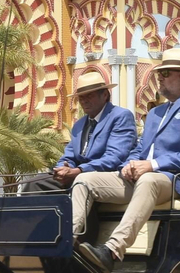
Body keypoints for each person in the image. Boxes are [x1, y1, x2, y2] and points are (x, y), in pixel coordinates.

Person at [75, 48, 180, 273]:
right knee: (85, 180)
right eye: (158, 74)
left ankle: (112, 250)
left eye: (165, 74)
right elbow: (140, 148)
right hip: (144, 178)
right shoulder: (155, 113)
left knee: (148, 180)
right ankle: (70, 244)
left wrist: (152, 165)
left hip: (179, 181)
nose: (159, 79)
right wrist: (129, 165)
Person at [25, 69, 134, 212]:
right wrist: (63, 169)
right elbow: (69, 156)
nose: (84, 100)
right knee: (33, 183)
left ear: (105, 95)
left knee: (82, 183)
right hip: (77, 175)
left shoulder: (120, 116)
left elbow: (114, 157)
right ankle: (36, 225)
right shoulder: (79, 125)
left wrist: (79, 170)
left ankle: (80, 227)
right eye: (81, 97)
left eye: (90, 95)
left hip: (105, 177)